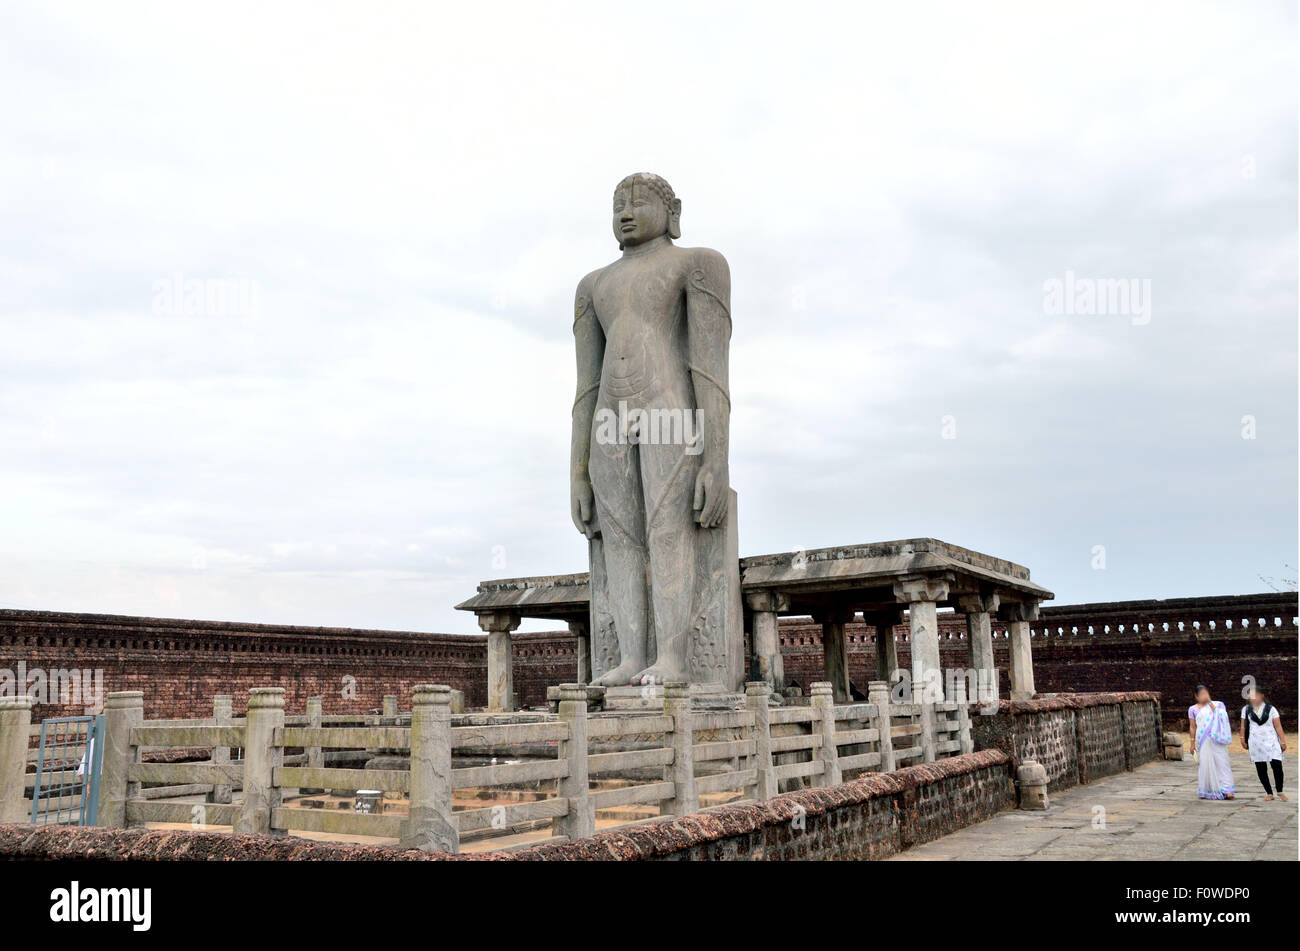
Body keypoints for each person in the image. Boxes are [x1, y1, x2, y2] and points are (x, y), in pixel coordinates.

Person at [1188, 684, 1235, 800]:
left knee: (1222, 763)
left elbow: (1222, 716)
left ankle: (1227, 789)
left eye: (1206, 693)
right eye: (1201, 694)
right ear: (1196, 696)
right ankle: (1208, 789)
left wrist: (1209, 702)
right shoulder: (1193, 709)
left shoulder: (1218, 704)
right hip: (1203, 740)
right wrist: (1192, 743)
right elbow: (1193, 727)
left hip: (1217, 739)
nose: (1204, 696)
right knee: (1206, 764)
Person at [1241, 688, 1288, 801]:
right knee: (1261, 768)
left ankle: (1280, 790)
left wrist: (1283, 740)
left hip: (1271, 741)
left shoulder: (1271, 709)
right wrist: (1242, 738)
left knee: (1277, 765)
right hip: (1256, 742)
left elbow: (1278, 726)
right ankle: (1269, 793)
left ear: (1261, 695)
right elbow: (1243, 725)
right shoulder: (1246, 709)